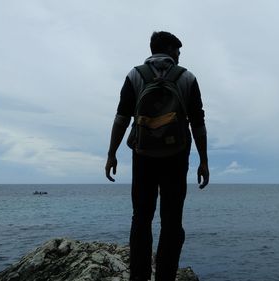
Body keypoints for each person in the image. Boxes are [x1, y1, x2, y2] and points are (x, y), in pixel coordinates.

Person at [104, 31, 209, 281]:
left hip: (143, 157)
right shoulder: (187, 77)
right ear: (171, 50)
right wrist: (204, 160)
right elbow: (198, 123)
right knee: (172, 222)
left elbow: (121, 119)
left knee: (141, 219)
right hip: (176, 157)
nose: (180, 55)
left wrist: (111, 154)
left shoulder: (135, 75)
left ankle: (138, 277)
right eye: (178, 51)